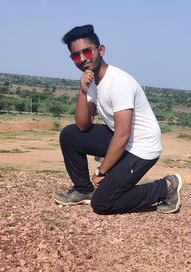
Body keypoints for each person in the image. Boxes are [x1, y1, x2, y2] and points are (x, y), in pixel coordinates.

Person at [53, 24, 183, 214]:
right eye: (76, 55)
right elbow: (82, 125)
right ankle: (83, 190)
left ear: (101, 50)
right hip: (122, 138)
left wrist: (101, 172)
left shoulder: (118, 82)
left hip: (141, 147)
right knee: (70, 135)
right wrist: (82, 91)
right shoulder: (91, 81)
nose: (82, 59)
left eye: (87, 52)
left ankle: (165, 187)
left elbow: (122, 135)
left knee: (102, 204)